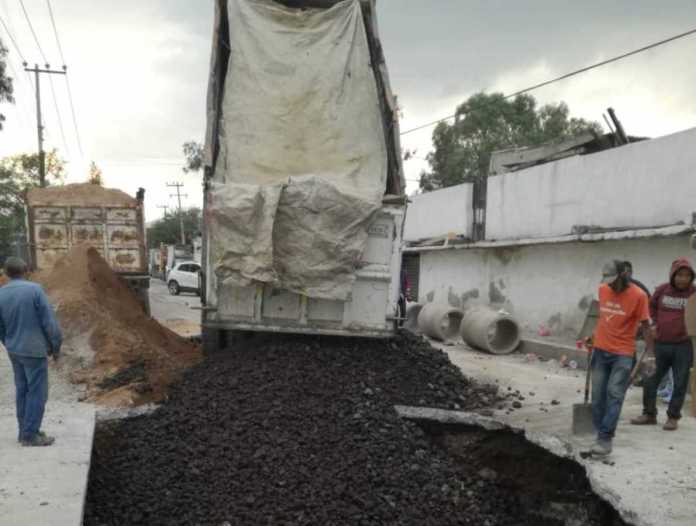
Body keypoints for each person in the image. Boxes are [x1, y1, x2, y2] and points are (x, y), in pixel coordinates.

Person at [590, 260, 653, 456]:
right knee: (597, 397)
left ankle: (605, 438)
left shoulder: (639, 295)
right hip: (600, 350)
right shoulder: (602, 289)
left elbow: (645, 325)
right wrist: (591, 336)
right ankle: (603, 431)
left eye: (613, 280)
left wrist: (650, 353)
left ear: (624, 274)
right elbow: (601, 317)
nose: (610, 285)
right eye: (607, 281)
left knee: (614, 394)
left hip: (623, 353)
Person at [0, 257, 63, 447]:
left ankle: (25, 431)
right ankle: (30, 435)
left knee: (22, 390)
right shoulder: (35, 290)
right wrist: (55, 346)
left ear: (5, 273)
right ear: (26, 271)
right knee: (37, 392)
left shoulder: (1, 293)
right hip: (34, 350)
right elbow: (49, 323)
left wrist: (8, 343)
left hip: (14, 350)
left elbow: (0, 327)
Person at [631, 258, 695, 431]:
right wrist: (653, 323)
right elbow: (649, 307)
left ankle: (673, 417)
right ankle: (649, 414)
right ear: (673, 275)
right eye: (680, 275)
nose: (683, 279)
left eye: (687, 276)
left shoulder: (694, 293)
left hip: (684, 345)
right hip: (660, 344)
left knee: (680, 382)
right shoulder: (662, 290)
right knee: (650, 378)